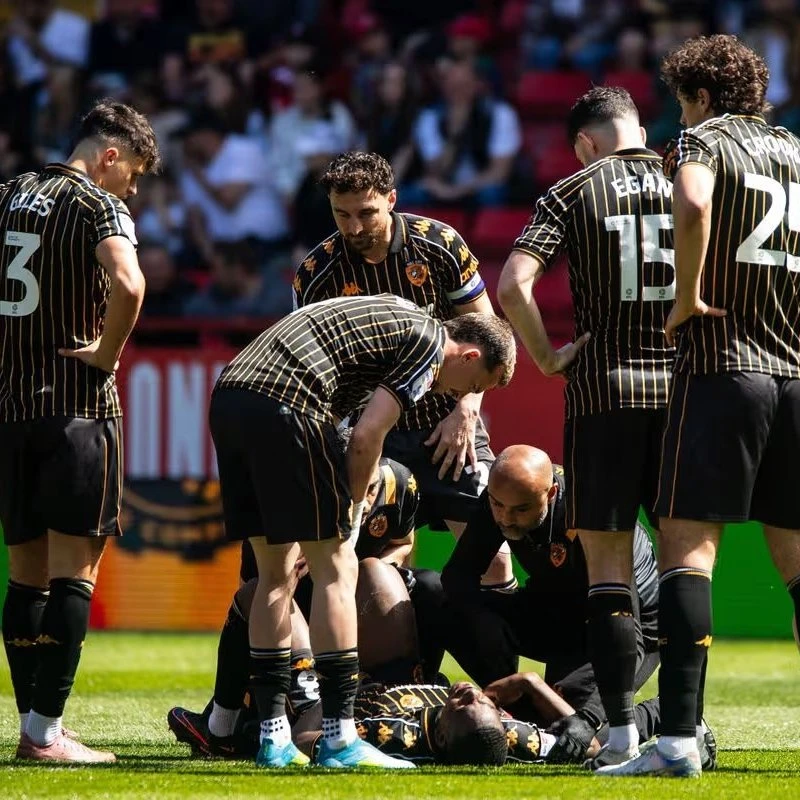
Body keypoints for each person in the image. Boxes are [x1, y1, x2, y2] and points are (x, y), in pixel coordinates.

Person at [600, 34, 800, 778]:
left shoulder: (703, 139)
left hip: (724, 367)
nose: (679, 115)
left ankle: (677, 742)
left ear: (703, 97)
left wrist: (685, 298)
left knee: (688, 551)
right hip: (795, 375)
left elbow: (690, 200)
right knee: (798, 567)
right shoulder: (795, 151)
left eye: (683, 102)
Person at [208, 293, 515, 769]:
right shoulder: (429, 345)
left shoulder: (395, 319)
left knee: (275, 576)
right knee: (337, 568)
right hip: (289, 402)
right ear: (470, 355)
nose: (458, 397)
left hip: (232, 396)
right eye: (472, 385)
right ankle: (339, 739)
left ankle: (274, 738)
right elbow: (369, 435)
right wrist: (350, 515)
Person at [497, 86, 675, 768]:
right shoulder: (689, 180)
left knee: (608, 573)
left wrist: (547, 357)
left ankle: (622, 733)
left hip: (604, 393)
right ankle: (682, 730)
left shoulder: (573, 191)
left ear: (585, 143)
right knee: (687, 566)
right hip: (685, 390)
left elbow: (513, 284)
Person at [0, 100, 160, 762]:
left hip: (9, 412)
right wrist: (106, 355)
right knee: (74, 574)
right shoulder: (98, 204)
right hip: (76, 410)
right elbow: (129, 282)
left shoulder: (8, 194)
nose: (133, 190)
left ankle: (32, 728)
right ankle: (44, 734)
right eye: (135, 175)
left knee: (25, 577)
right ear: (110, 156)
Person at [293, 150, 514, 589]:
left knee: (495, 561)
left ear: (391, 199)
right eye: (341, 215)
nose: (354, 228)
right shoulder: (317, 274)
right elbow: (319, 377)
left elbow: (487, 337)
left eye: (366, 213)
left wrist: (466, 411)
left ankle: (496, 639)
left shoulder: (440, 244)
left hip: (446, 428)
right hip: (372, 436)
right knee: (371, 568)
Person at [167, 452, 420, 758]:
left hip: (360, 621)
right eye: (353, 486)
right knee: (255, 598)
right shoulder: (287, 503)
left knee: (418, 584)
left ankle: (402, 691)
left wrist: (370, 574)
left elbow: (403, 544)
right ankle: (226, 723)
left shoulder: (400, 482)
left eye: (371, 489)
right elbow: (253, 593)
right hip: (294, 622)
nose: (364, 502)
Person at [432, 445, 661, 762]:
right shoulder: (502, 498)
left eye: (521, 510)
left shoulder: (592, 515)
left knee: (576, 733)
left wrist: (588, 718)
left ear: (551, 493)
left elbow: (628, 631)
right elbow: (459, 577)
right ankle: (507, 705)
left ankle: (663, 713)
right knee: (441, 603)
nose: (505, 519)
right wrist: (487, 637)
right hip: (555, 610)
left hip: (625, 630)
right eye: (497, 505)